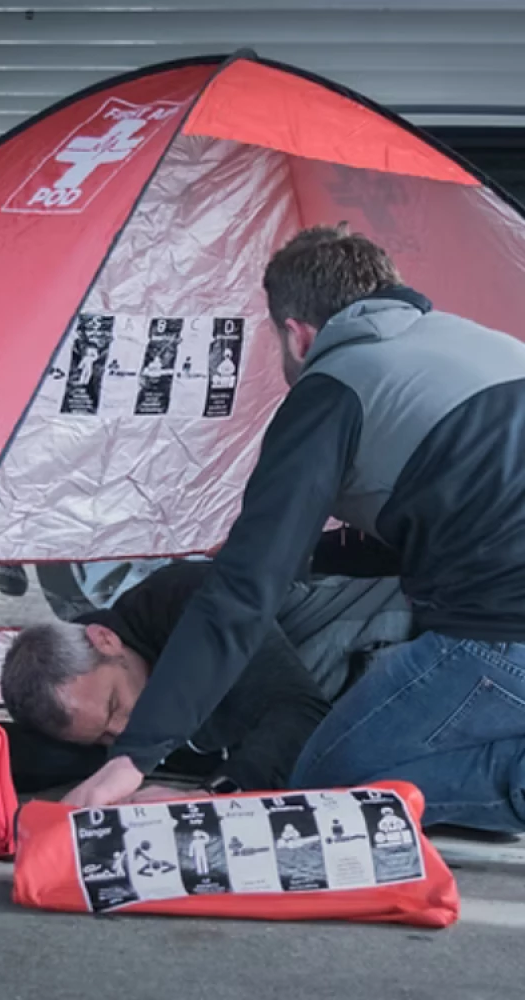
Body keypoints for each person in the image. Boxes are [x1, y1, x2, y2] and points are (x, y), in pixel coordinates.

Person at [64, 225, 525, 834]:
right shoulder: (481, 346)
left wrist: (132, 759)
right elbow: (457, 514)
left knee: (321, 790)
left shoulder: (334, 386)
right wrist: (299, 553)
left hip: (503, 635)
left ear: (296, 334)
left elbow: (243, 593)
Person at [0, 559, 411, 795]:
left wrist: (211, 798)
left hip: (413, 645)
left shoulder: (191, 603)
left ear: (105, 640)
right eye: (103, 737)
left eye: (114, 704)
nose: (122, 730)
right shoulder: (101, 699)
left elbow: (297, 716)